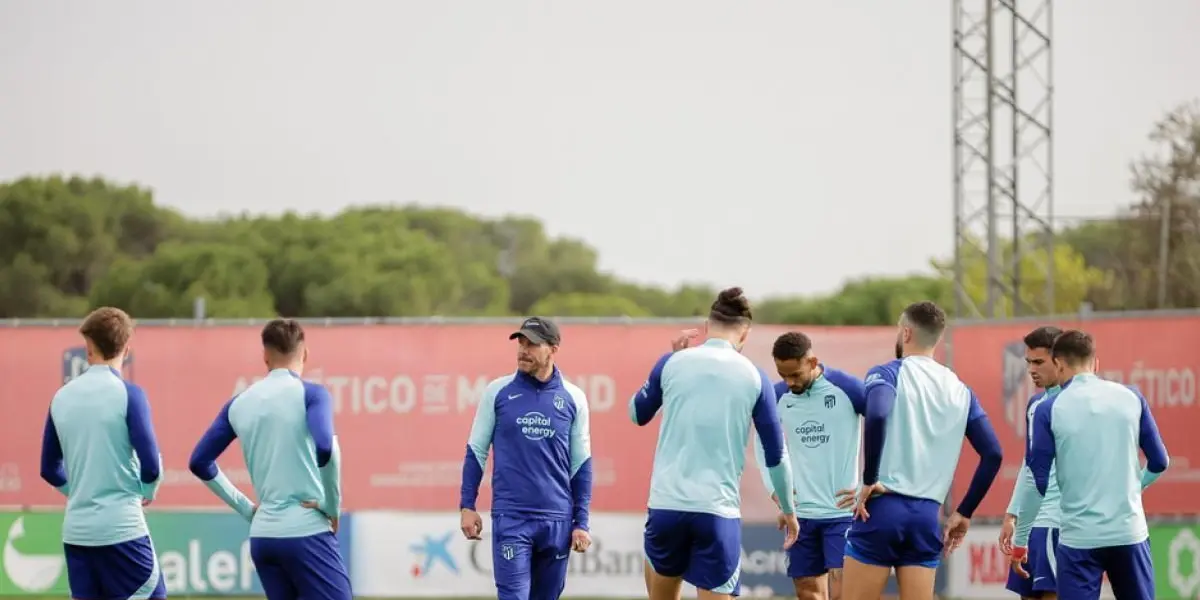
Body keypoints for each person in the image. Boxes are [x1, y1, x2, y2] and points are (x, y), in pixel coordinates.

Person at [631, 287, 799, 600]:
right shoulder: (754, 377)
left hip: (666, 508)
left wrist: (669, 363)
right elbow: (776, 455)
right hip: (716, 512)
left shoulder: (671, 363)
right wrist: (788, 509)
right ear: (745, 333)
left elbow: (636, 414)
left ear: (707, 327)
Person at [843, 301, 1004, 600]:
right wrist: (965, 511)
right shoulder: (960, 389)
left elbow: (876, 414)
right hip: (927, 515)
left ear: (905, 333)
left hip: (882, 508)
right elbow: (993, 454)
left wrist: (868, 479)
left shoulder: (889, 372)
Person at [188, 318, 351, 600]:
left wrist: (248, 510)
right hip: (306, 532)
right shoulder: (313, 395)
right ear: (306, 354)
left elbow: (199, 462)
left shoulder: (239, 403)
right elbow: (326, 448)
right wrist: (331, 506)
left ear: (265, 356)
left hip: (264, 538)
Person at [1010, 330, 1169, 600]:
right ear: (1095, 363)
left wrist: (1020, 541)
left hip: (1078, 541)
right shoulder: (1132, 396)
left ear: (1058, 363)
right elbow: (1160, 462)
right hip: (1129, 533)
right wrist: (1135, 488)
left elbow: (1036, 482)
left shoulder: (1048, 409)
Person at [459, 316, 593, 600]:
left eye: (532, 344)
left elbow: (581, 466)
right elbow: (476, 451)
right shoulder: (498, 391)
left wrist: (581, 523)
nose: (523, 350)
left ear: (553, 349)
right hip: (512, 517)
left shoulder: (574, 398)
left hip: (556, 520)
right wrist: (467, 505)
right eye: (521, 342)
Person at [40, 307, 167, 600]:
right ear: (127, 348)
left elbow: (48, 469)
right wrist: (147, 491)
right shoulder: (130, 395)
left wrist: (81, 491)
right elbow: (151, 468)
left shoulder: (60, 398)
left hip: (77, 535)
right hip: (123, 530)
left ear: (88, 348)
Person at [752, 331, 867, 600]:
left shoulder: (847, 388)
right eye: (783, 375)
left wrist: (869, 482)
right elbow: (761, 443)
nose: (789, 382)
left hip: (842, 512)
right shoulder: (777, 395)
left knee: (843, 592)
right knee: (807, 592)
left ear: (812, 362)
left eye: (795, 375)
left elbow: (886, 426)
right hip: (801, 516)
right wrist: (776, 492)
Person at [998, 326, 1064, 600]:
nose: (1031, 370)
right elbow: (1029, 464)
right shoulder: (1035, 405)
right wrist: (1013, 513)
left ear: (1060, 361)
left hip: (1057, 524)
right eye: (1028, 362)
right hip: (1032, 525)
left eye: (1039, 362)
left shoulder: (1076, 402)